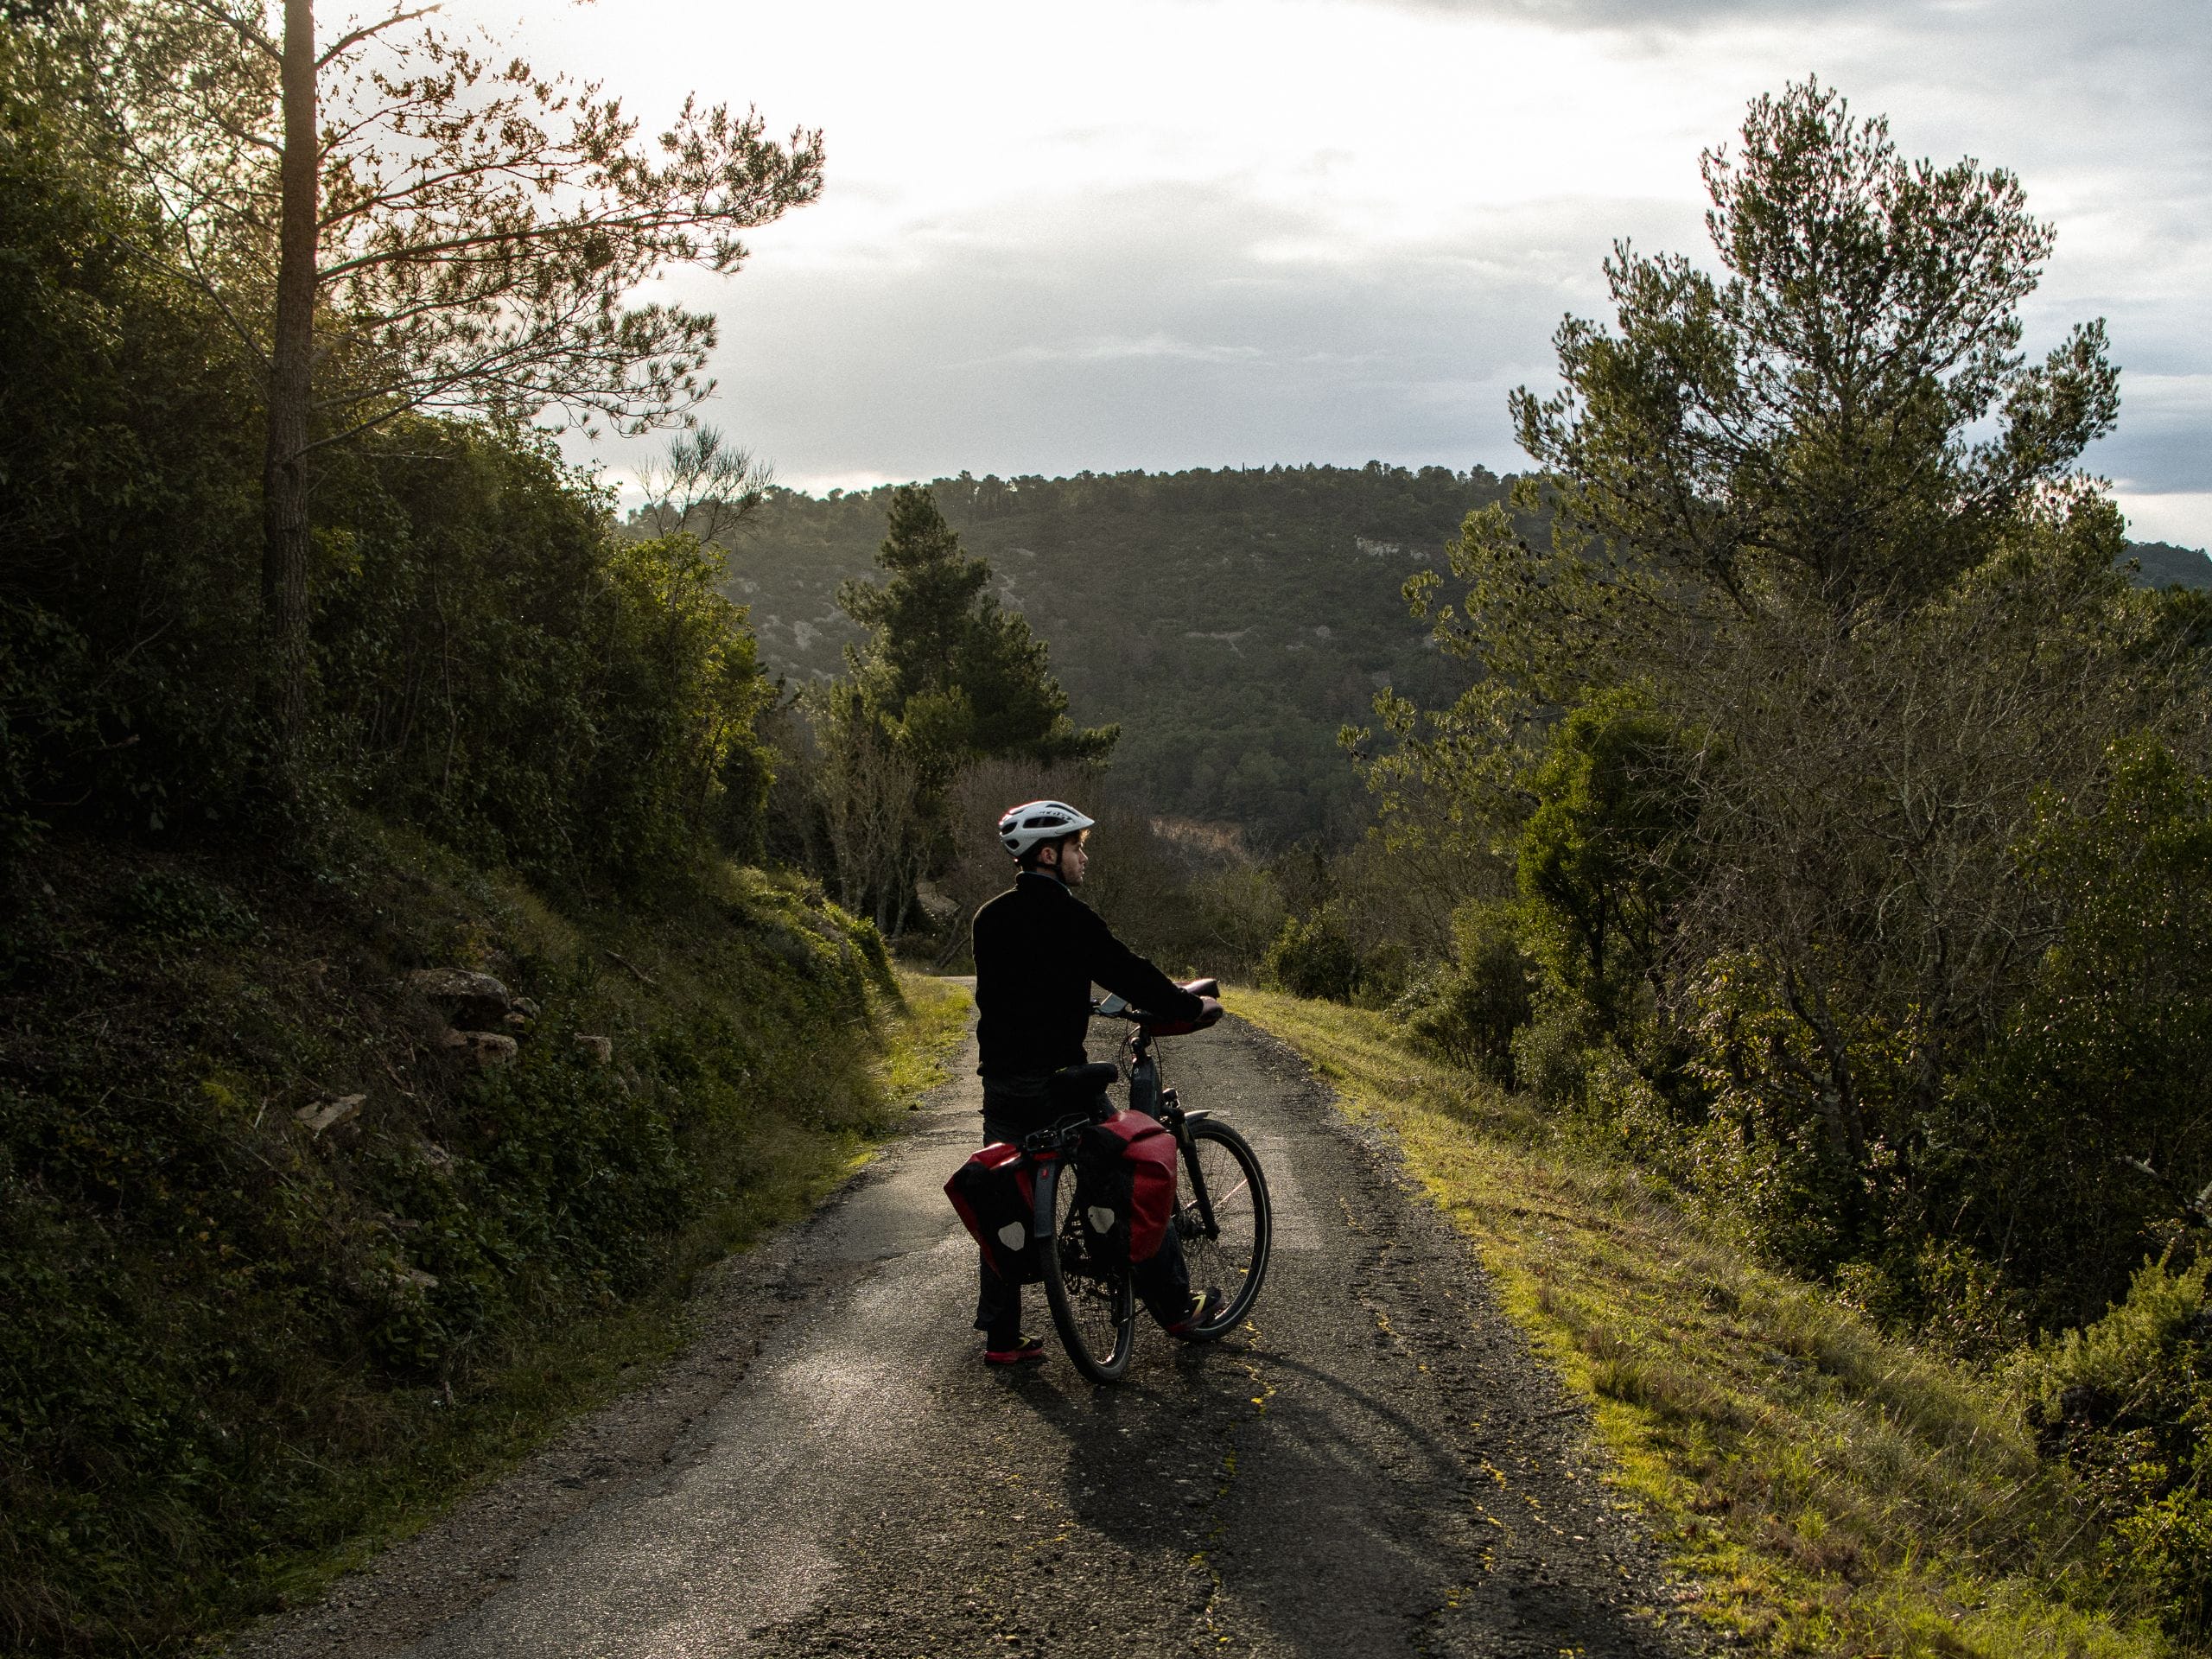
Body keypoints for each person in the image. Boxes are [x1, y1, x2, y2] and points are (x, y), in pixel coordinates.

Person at [969, 798, 1224, 1365]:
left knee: (1004, 1196)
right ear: (1048, 854)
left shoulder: (988, 919)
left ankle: (1002, 1339)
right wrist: (1186, 1002)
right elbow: (1126, 970)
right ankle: (1180, 1307)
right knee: (1133, 1170)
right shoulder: (1070, 918)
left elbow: (1021, 989)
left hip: (1003, 1086)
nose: (1084, 856)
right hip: (1060, 1085)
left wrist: (1077, 1000)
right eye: (1076, 847)